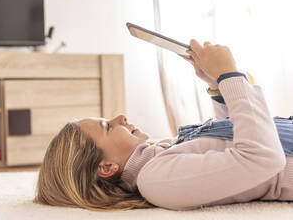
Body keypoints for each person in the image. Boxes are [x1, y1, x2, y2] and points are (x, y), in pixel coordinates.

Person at [33, 39, 293, 211]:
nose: (120, 117)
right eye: (108, 127)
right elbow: (263, 158)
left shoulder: (161, 154)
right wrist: (229, 75)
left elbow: (235, 137)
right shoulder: (157, 181)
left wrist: (216, 86)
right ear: (106, 167)